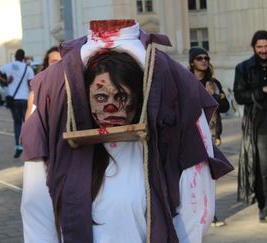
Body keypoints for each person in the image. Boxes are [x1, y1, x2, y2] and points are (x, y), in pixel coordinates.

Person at [20, 19, 233, 242]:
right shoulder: (55, 104)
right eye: (101, 97)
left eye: (122, 97)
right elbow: (36, 207)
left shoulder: (171, 99)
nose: (110, 107)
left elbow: (195, 204)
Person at [189, 47, 230, 227]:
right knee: (195, 176)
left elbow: (225, 107)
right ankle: (195, 213)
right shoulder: (186, 82)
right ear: (192, 62)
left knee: (211, 175)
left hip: (212, 134)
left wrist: (213, 95)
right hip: (192, 134)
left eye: (206, 58)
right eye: (199, 58)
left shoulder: (214, 83)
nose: (204, 61)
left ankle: (211, 214)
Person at [234, 30, 267, 222]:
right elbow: (239, 96)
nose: (264, 50)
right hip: (259, 125)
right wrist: (261, 91)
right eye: (260, 47)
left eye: (266, 46)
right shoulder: (244, 68)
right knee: (263, 168)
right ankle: (264, 206)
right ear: (254, 47)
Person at [0, 49, 35, 158]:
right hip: (25, 99)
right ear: (23, 57)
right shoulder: (28, 69)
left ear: (15, 56)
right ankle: (29, 146)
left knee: (17, 123)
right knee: (27, 123)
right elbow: (31, 85)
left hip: (13, 99)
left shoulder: (8, 66)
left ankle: (18, 146)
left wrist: (5, 80)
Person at [25, 46, 62, 118]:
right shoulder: (36, 95)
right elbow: (30, 127)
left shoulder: (79, 90)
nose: (59, 65)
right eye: (55, 62)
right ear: (46, 66)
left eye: (62, 61)